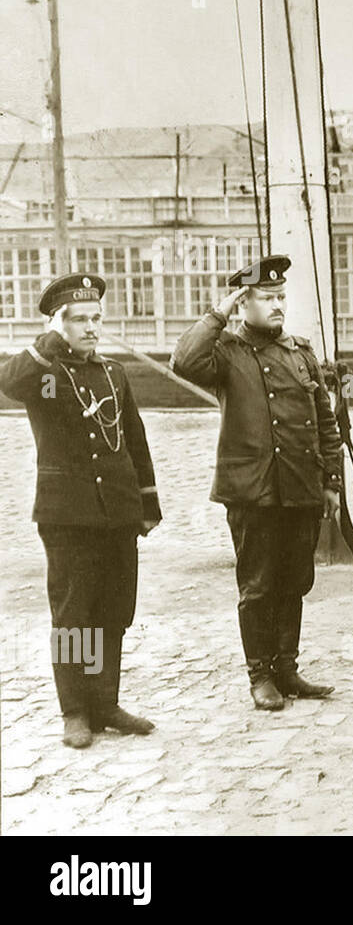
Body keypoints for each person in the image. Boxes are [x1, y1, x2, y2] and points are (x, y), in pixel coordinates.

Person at [171, 256, 341, 711]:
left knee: (295, 581)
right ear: (244, 303)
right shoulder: (226, 351)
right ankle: (260, 675)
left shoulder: (300, 352)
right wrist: (218, 313)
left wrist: (331, 481)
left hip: (300, 485)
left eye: (281, 296)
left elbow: (325, 421)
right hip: (253, 490)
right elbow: (184, 360)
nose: (278, 304)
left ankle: (287, 668)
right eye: (266, 298)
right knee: (258, 586)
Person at [0, 273, 161, 748]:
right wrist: (49, 341)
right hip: (68, 517)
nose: (91, 328)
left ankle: (105, 703)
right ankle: (75, 711)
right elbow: (10, 382)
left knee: (113, 610)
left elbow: (135, 440)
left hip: (117, 513)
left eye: (96, 318)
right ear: (59, 324)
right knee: (75, 615)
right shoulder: (46, 375)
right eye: (79, 320)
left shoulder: (113, 373)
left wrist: (147, 502)